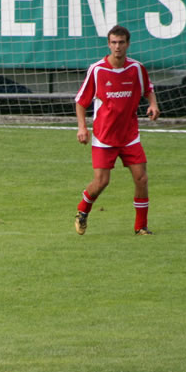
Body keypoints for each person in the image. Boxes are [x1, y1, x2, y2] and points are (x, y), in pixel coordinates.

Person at [73, 24, 160, 236]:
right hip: (104, 136)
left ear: (128, 44)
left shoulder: (137, 68)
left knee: (142, 178)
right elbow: (81, 101)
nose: (117, 47)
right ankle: (82, 211)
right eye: (113, 42)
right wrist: (82, 127)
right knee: (102, 182)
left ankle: (141, 226)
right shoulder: (97, 70)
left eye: (121, 43)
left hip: (129, 135)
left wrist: (153, 104)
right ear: (108, 44)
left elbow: (148, 89)